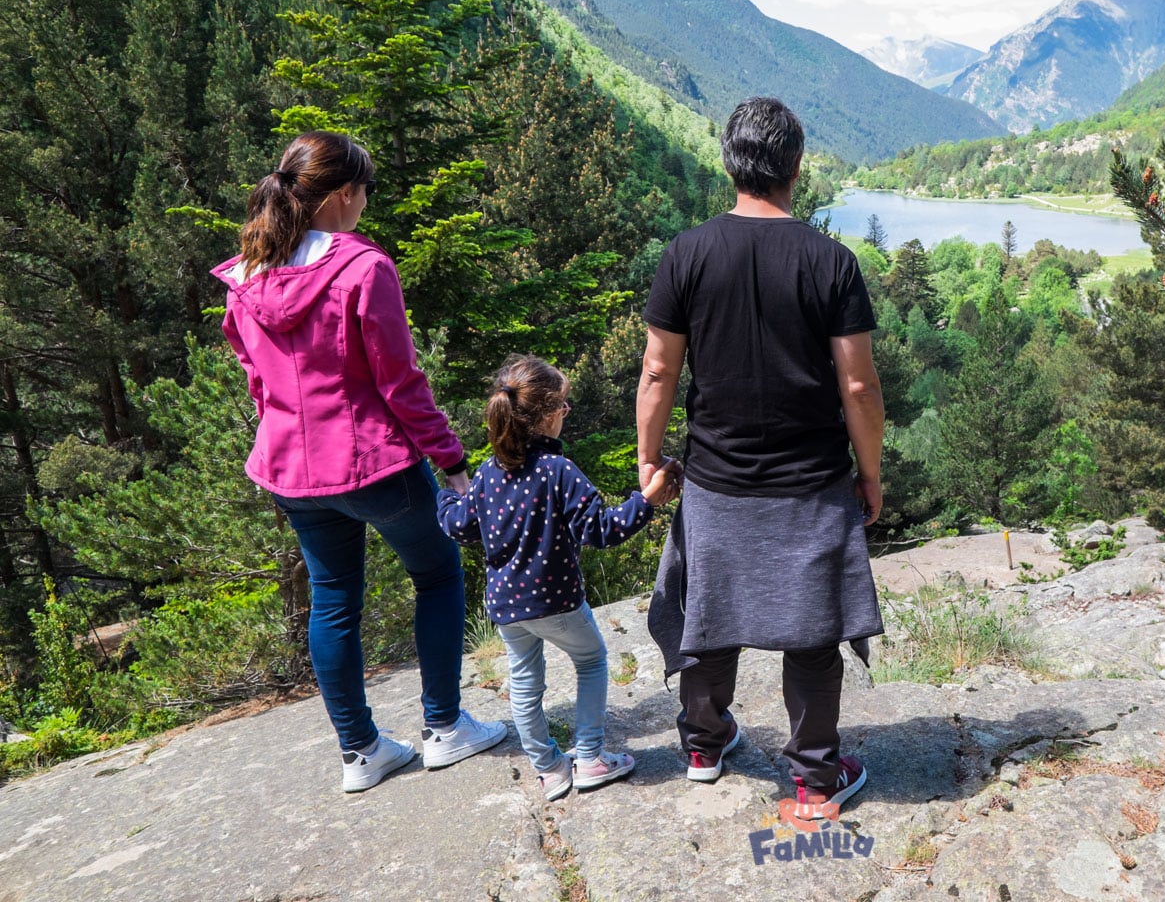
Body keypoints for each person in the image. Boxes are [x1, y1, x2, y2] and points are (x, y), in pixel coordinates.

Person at [214, 130, 507, 793]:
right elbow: (401, 384)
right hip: (373, 464)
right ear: (345, 195)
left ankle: (362, 753)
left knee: (334, 599)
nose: (366, 204)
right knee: (436, 574)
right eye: (366, 192)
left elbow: (256, 379)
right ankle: (444, 728)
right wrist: (453, 461)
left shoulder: (247, 275)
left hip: (290, 470)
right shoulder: (361, 268)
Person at [637, 96, 886, 823]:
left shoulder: (686, 253)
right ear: (796, 169)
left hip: (715, 478)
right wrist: (869, 472)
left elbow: (658, 372)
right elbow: (860, 384)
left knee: (707, 611)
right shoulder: (830, 262)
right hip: (810, 483)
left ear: (729, 163)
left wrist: (649, 460)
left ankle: (703, 746)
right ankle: (813, 777)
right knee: (811, 630)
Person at [437, 356, 679, 799]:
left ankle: (549, 769)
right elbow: (602, 530)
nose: (566, 413)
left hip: (506, 608)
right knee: (590, 661)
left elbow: (460, 526)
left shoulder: (490, 474)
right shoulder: (558, 472)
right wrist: (646, 500)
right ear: (548, 415)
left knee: (525, 682)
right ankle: (589, 758)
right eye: (564, 406)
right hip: (558, 602)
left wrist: (446, 497)